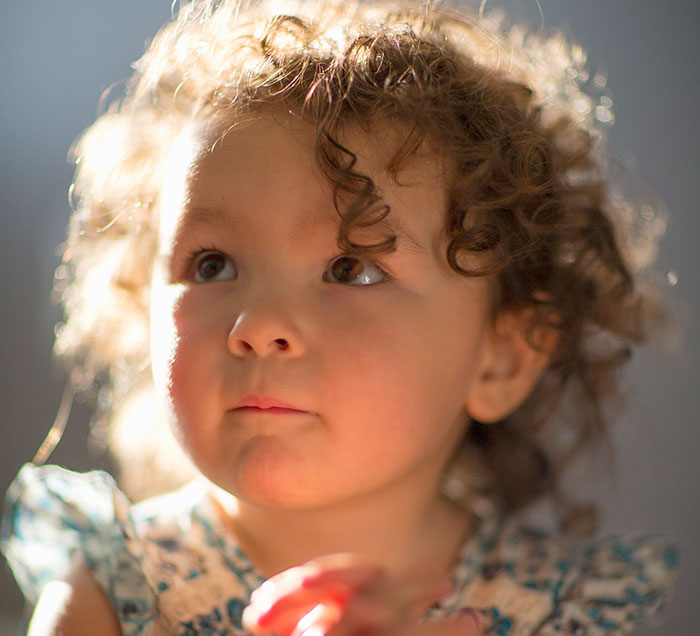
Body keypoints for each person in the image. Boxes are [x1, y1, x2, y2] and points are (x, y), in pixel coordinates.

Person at [1, 0, 677, 634]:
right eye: (212, 265)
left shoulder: (564, 610)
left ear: (500, 357)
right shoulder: (112, 595)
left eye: (351, 268)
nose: (256, 325)